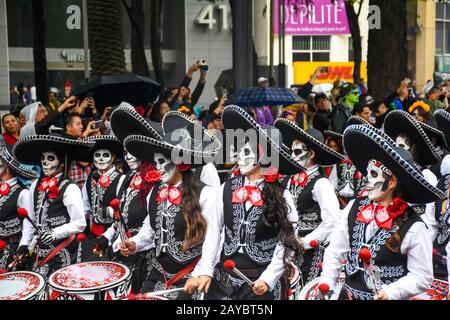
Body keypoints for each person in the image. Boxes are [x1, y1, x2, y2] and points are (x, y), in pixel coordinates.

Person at [187, 105, 304, 300]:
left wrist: (268, 278)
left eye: (246, 152)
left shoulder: (282, 194)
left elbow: (287, 243)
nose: (239, 156)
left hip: (261, 284)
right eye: (240, 151)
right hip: (224, 281)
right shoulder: (227, 187)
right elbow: (214, 233)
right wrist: (205, 269)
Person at [318, 124, 444, 300]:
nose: (367, 180)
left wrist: (392, 292)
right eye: (368, 174)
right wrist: (327, 285)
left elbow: (422, 276)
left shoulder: (414, 226)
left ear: (392, 182)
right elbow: (335, 250)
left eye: (374, 174)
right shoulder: (354, 207)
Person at [119, 121, 219, 300]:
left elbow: (214, 241)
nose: (157, 168)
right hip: (159, 274)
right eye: (156, 162)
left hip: (190, 276)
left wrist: (200, 273)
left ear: (179, 163)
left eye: (162, 162)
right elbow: (150, 229)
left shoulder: (206, 194)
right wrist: (134, 243)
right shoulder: (155, 191)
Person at [274, 119, 343, 284]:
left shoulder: (321, 183)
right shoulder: (288, 179)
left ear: (311, 154)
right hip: (285, 248)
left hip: (310, 253)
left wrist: (306, 241)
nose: (292, 156)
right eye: (292, 151)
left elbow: (332, 220)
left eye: (297, 152)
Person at [14, 135, 92, 278]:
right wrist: (24, 245)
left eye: (50, 158)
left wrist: (54, 233)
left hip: (64, 251)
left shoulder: (70, 188)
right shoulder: (35, 185)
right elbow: (30, 218)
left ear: (62, 163)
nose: (44, 162)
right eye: (43, 158)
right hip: (39, 251)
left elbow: (80, 223)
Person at [384, 110, 441, 236]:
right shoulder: (390, 175)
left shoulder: (427, 176)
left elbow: (430, 218)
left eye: (401, 146)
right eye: (395, 146)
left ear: (413, 149)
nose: (397, 150)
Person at [80, 135, 125, 262]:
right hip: (92, 237)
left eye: (105, 155)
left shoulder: (121, 179)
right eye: (97, 155)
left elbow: (124, 211)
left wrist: (108, 212)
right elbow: (85, 207)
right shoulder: (90, 178)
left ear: (114, 157)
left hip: (114, 236)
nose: (100, 158)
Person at [0, 146, 38, 271]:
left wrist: (23, 247)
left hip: (12, 249)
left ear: (5, 166)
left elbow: (29, 224)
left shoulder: (23, 193)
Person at [63, 113, 99, 189]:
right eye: (78, 124)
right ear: (69, 127)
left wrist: (89, 134)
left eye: (81, 124)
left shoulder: (75, 140)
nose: (81, 126)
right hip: (75, 186)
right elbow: (84, 162)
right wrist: (87, 133)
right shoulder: (66, 141)